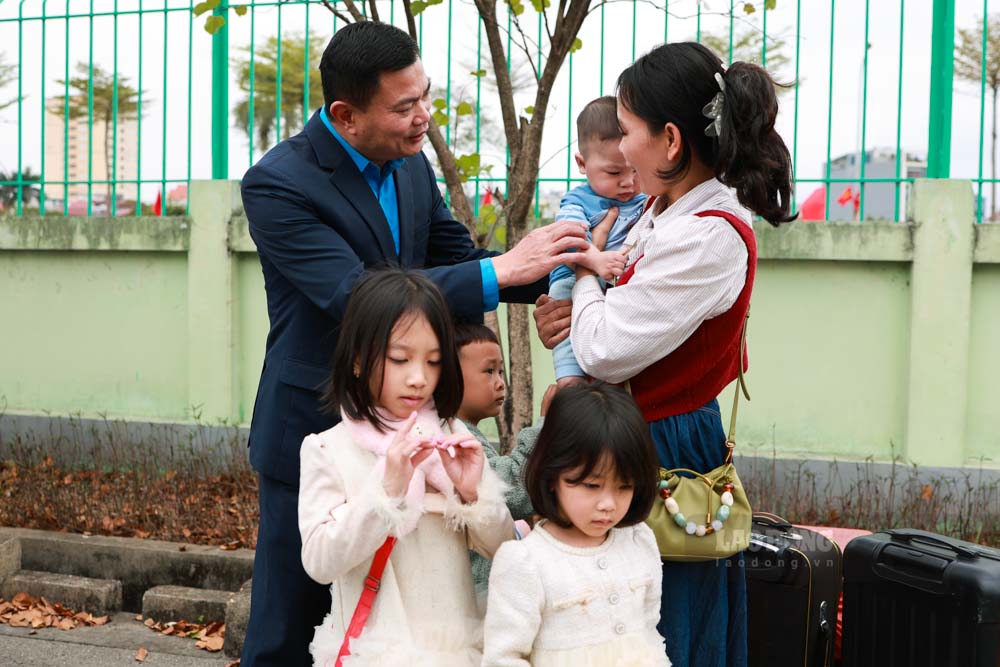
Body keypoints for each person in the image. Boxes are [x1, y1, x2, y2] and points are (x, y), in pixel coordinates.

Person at [239, 21, 587, 665]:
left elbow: (460, 259)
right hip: (313, 428)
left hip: (412, 432)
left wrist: (566, 269)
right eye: (405, 106)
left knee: (401, 627)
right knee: (289, 631)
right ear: (345, 114)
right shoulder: (278, 183)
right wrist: (498, 272)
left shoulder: (409, 164)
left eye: (425, 95)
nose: (424, 116)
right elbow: (355, 296)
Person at [533, 43, 795, 667]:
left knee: (660, 626)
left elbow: (602, 348)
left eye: (626, 132)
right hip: (630, 437)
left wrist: (585, 278)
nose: (620, 149)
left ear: (671, 140)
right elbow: (601, 331)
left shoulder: (708, 236)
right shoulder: (664, 210)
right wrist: (569, 313)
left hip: (664, 452)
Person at [299, 269, 513, 665]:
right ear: (359, 361)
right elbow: (319, 562)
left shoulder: (449, 436)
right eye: (400, 359)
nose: (419, 378)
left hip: (456, 652)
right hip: (375, 653)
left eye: (433, 362)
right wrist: (386, 492)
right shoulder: (328, 448)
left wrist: (472, 494)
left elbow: (505, 549)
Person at [481, 383, 668, 667]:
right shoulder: (526, 562)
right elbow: (503, 658)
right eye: (591, 485)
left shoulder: (639, 540)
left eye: (624, 486)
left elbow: (648, 628)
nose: (608, 503)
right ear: (553, 475)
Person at [548, 96, 647, 388]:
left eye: (635, 170)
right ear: (582, 163)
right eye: (614, 172)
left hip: (613, 288)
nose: (628, 182)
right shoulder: (580, 200)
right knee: (568, 333)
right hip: (571, 281)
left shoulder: (645, 201)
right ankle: (569, 384)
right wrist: (595, 259)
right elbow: (566, 240)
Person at [453, 323, 555, 599]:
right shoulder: (455, 438)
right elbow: (511, 489)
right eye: (489, 371)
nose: (500, 382)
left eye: (500, 371)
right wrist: (545, 426)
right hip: (474, 594)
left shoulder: (464, 431)